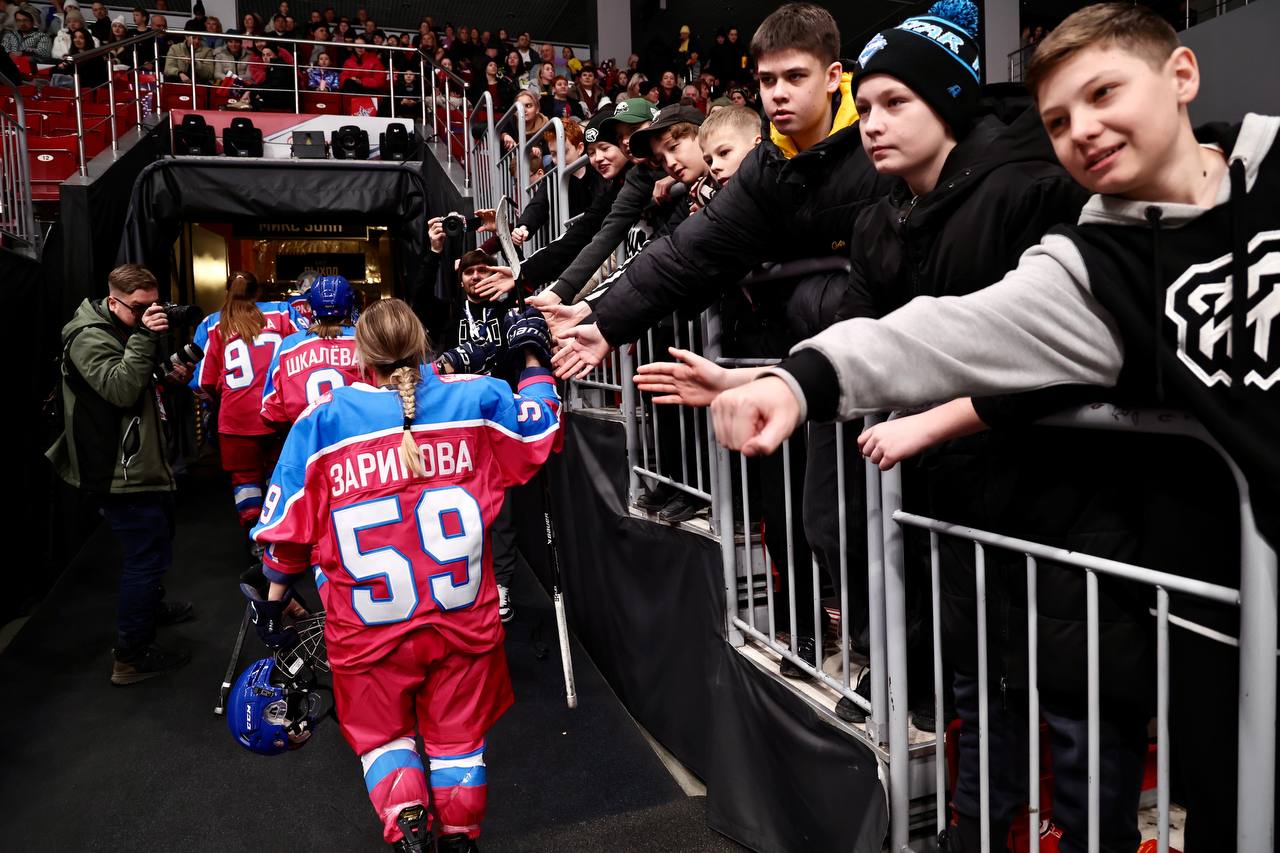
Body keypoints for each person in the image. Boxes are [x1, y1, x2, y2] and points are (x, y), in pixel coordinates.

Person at [708, 4, 1279, 849]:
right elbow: (946, 330)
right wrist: (798, 381)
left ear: (1182, 76)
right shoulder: (1087, 268)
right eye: (1057, 119)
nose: (1083, 129)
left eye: (1104, 93)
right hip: (1227, 606)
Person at [248, 298, 559, 853]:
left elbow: (289, 539)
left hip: (367, 632)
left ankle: (408, 830)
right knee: (459, 741)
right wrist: (532, 354)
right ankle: (460, 839)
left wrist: (272, 606)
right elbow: (541, 430)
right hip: (462, 623)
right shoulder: (478, 398)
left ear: (359, 354)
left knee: (383, 739)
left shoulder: (322, 422)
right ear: (423, 343)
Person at [551, 2, 890, 376]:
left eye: (795, 77)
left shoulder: (882, 142)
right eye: (766, 80)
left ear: (831, 77)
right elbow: (685, 253)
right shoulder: (764, 167)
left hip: (895, 366)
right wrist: (605, 326)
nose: (777, 93)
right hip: (820, 370)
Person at [46, 264, 194, 686]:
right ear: (113, 301)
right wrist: (147, 337)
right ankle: (130, 655)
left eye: (155, 306)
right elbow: (121, 389)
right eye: (138, 308)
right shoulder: (87, 337)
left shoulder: (122, 328)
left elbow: (140, 380)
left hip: (140, 463)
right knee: (144, 560)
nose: (149, 314)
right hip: (118, 471)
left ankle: (149, 609)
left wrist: (170, 372)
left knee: (157, 546)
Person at [194, 272, 296, 544]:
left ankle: (256, 538)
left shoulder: (214, 324)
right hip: (278, 414)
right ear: (258, 292)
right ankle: (280, 535)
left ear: (228, 291)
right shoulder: (283, 314)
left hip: (236, 418)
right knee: (278, 475)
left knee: (245, 480)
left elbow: (202, 381)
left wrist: (217, 402)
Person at [261, 276, 363, 428]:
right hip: (355, 439)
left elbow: (271, 410)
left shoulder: (289, 345)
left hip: (305, 441)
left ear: (312, 305)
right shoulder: (365, 341)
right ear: (349, 304)